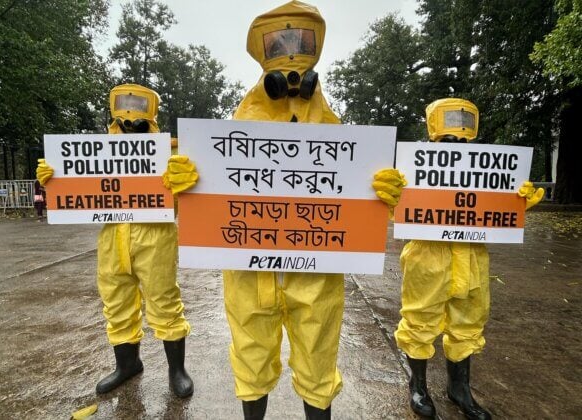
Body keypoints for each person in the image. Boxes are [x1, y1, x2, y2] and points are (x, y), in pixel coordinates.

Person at [223, 2, 402, 419]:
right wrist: (184, 185)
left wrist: (382, 195)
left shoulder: (336, 134)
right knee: (250, 356)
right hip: (250, 272)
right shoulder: (233, 131)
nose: (289, 53)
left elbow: (355, 204)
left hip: (316, 271)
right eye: (278, 42)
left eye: (298, 41)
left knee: (318, 358)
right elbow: (210, 202)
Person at [372, 98, 545, 419]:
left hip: (473, 258)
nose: (458, 138)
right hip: (427, 257)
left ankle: (459, 389)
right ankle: (418, 386)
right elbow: (397, 208)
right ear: (433, 126)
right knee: (419, 320)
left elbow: (494, 206)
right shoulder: (414, 167)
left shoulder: (485, 168)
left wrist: (515, 204)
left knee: (469, 322)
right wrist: (389, 193)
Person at [36, 83, 198, 398]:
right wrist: (55, 179)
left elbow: (190, 196)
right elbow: (80, 188)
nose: (130, 114)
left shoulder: (171, 152)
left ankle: (177, 370)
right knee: (116, 300)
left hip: (155, 235)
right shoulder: (97, 152)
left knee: (164, 300)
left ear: (151, 112)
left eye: (138, 106)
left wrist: (186, 180)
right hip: (112, 236)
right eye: (123, 105)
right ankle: (128, 365)